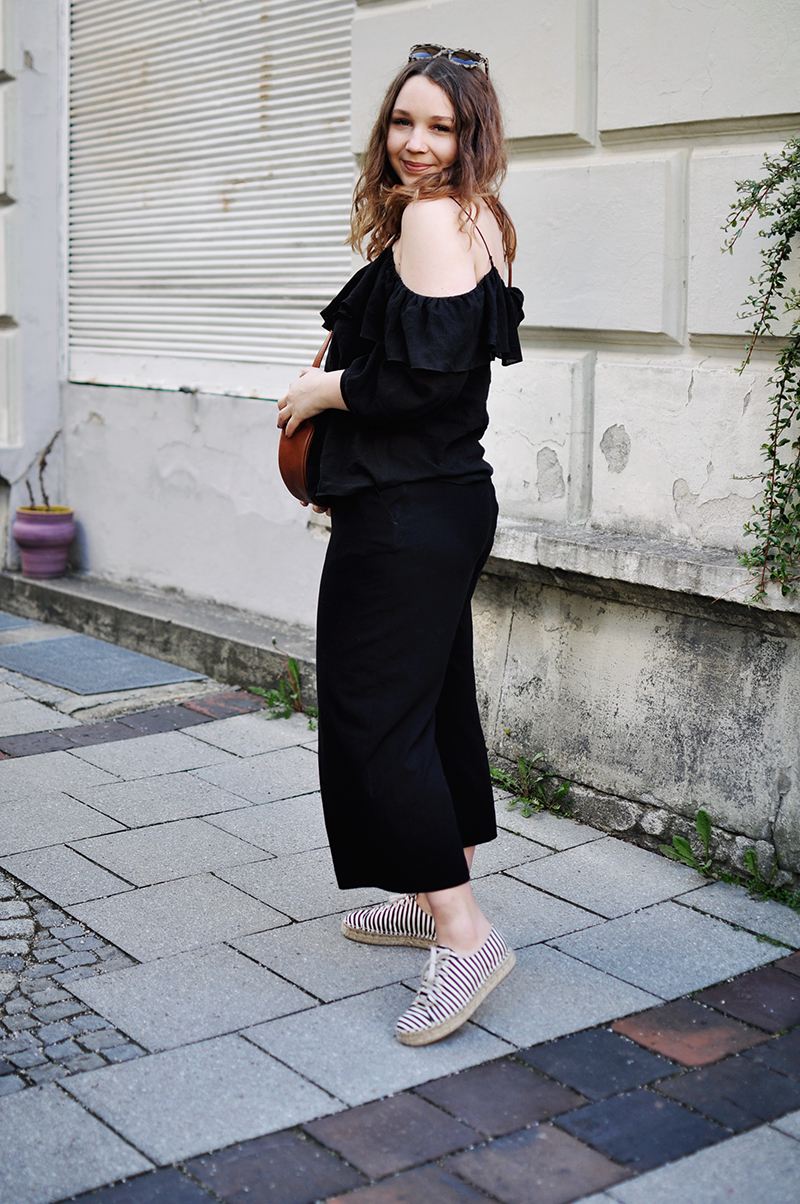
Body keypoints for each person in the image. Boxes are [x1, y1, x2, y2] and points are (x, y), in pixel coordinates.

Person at [277, 44, 524, 1046]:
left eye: (441, 127)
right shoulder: (480, 216)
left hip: (403, 514)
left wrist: (320, 391)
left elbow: (418, 383)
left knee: (375, 717)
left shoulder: (431, 220)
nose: (416, 144)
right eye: (403, 121)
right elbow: (446, 366)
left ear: (470, 135)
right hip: (445, 504)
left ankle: (464, 934)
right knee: (427, 706)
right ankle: (433, 893)